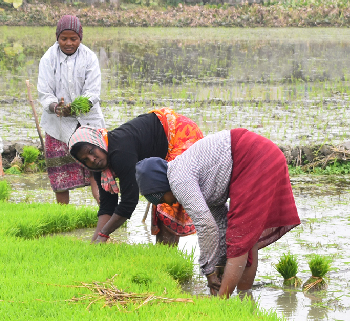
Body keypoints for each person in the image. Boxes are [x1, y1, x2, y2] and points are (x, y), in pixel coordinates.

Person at [133, 129, 300, 298]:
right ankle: (244, 295)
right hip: (262, 154)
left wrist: (209, 270)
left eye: (162, 199)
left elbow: (206, 226)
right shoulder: (192, 178)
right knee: (247, 235)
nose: (168, 203)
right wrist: (219, 265)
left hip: (253, 157)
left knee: (240, 235)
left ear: (160, 186)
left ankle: (221, 302)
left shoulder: (178, 179)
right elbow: (219, 223)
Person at [68, 108, 203, 244]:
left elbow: (129, 201)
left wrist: (103, 235)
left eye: (91, 151)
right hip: (163, 144)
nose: (92, 159)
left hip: (180, 133)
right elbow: (108, 206)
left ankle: (165, 255)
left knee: (167, 199)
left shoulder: (120, 152)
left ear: (97, 143)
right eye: (85, 159)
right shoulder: (100, 167)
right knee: (162, 198)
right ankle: (164, 253)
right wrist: (95, 241)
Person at [37, 15, 103, 205]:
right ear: (57, 37)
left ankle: (106, 212)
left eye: (73, 39)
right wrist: (56, 107)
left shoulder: (89, 57)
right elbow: (45, 93)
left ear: (80, 38)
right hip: (57, 126)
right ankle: (63, 214)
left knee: (95, 170)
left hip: (87, 123)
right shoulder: (48, 58)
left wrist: (76, 107)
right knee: (60, 176)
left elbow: (92, 92)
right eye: (63, 38)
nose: (68, 43)